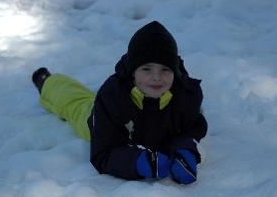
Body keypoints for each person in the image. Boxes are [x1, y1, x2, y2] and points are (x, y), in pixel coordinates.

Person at [32, 21, 208, 185]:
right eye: (146, 69)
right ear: (133, 72)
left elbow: (190, 129)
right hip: (109, 122)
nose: (156, 77)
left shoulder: (186, 96)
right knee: (76, 104)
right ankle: (48, 83)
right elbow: (104, 153)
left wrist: (185, 152)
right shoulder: (112, 97)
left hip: (138, 120)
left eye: (165, 69)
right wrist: (138, 163)